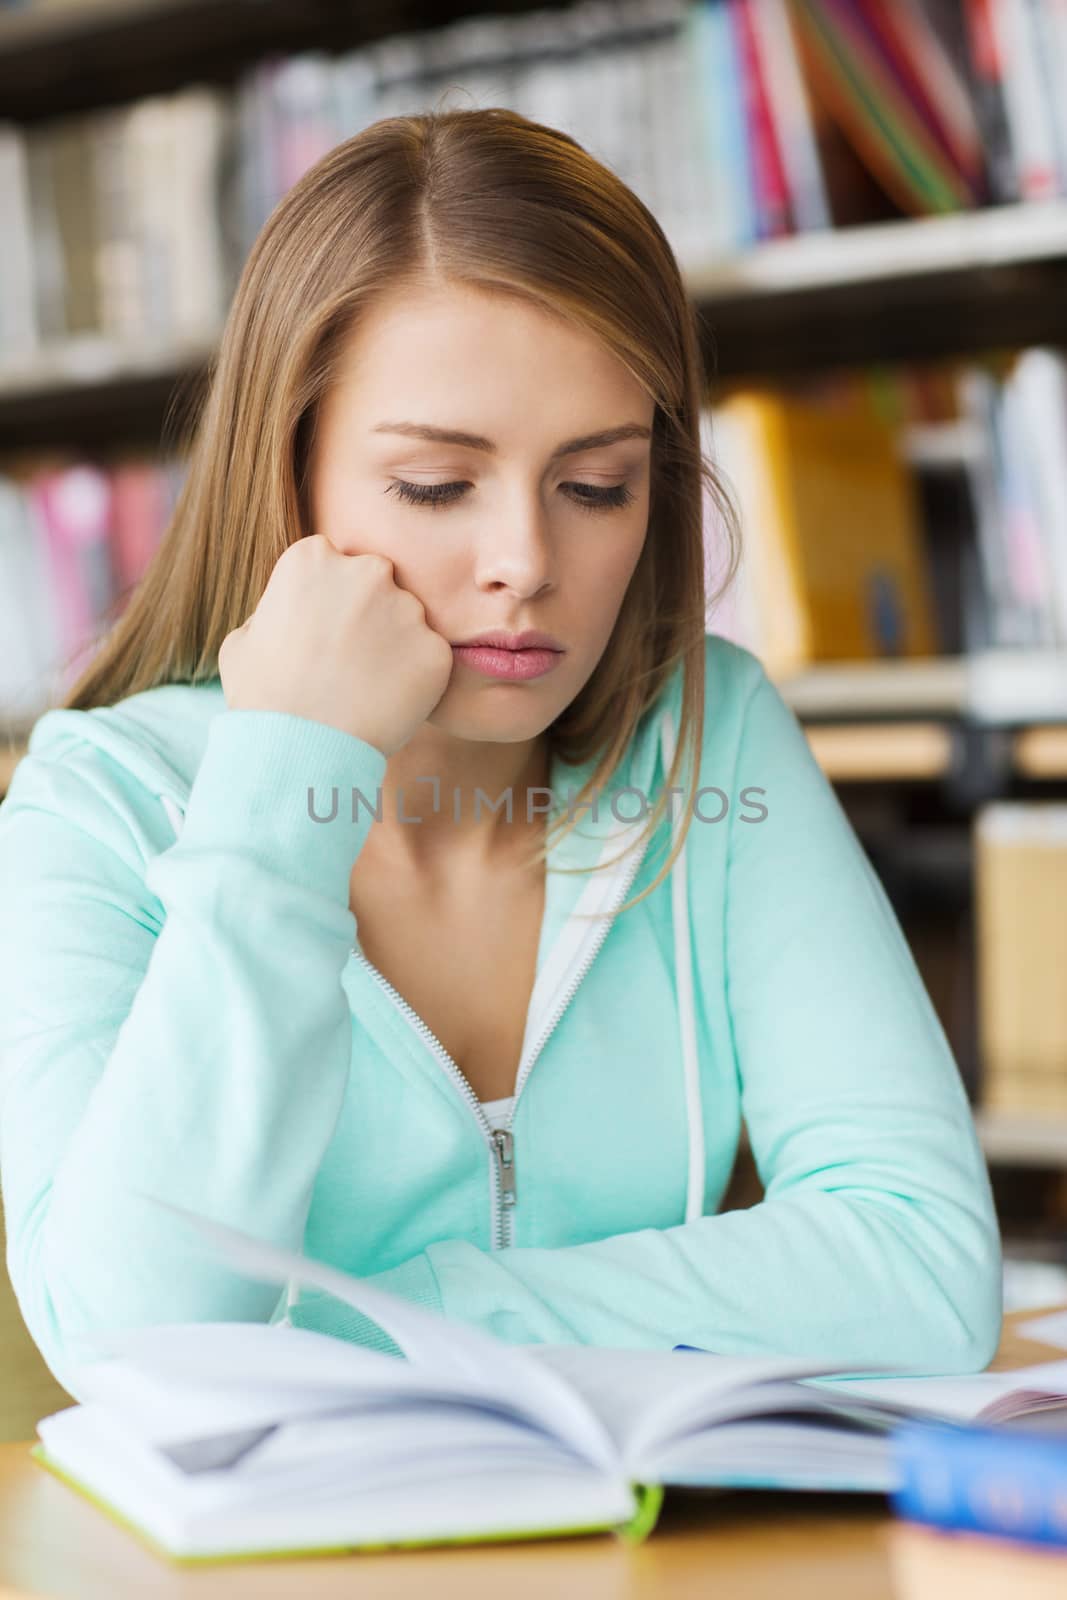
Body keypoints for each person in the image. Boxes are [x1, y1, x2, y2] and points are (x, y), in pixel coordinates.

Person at [0, 107, 1001, 1402]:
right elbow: (136, 1340)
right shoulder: (96, 806)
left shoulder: (713, 731)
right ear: (290, 468)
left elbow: (923, 1262)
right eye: (434, 486)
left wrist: (412, 1319)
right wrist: (284, 779)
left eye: (597, 486)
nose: (526, 563)